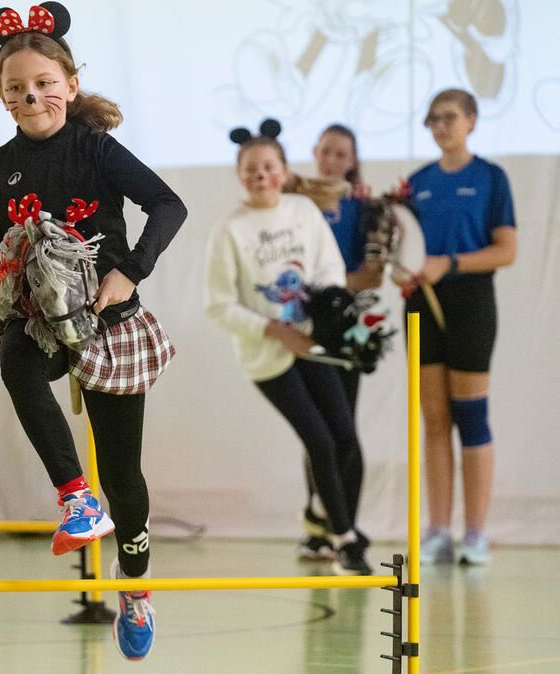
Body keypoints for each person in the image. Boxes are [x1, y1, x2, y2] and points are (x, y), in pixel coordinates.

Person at [0, 2, 187, 660]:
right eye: (16, 87)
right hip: (42, 322)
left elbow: (168, 204)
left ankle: (137, 586)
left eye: (44, 82)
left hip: (107, 319)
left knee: (125, 475)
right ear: (3, 97)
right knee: (15, 359)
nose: (32, 95)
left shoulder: (96, 149)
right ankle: (74, 499)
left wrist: (129, 272)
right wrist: (9, 292)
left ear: (69, 82)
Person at [205, 119, 371, 576]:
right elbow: (218, 305)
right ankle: (343, 539)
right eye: (251, 169)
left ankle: (330, 521)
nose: (261, 175)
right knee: (316, 438)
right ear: (241, 175)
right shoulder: (229, 231)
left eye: (269, 167)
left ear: (283, 170)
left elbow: (331, 270)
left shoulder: (303, 210)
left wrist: (324, 318)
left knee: (344, 437)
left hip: (313, 343)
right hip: (268, 357)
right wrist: (274, 329)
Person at [407, 89, 516, 566]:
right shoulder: (416, 184)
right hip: (421, 303)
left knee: (471, 416)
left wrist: (449, 262)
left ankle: (475, 533)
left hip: (471, 300)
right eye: (433, 118)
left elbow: (506, 250)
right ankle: (437, 531)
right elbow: (404, 248)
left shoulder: (491, 178)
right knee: (434, 419)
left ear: (471, 120)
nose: (440, 125)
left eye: (449, 117)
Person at [294, 124, 380, 562]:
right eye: (325, 151)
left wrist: (329, 287)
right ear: (315, 151)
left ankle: (344, 525)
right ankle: (318, 527)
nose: (331, 160)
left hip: (344, 329)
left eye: (341, 154)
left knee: (344, 430)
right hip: (305, 331)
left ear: (352, 159)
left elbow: (372, 273)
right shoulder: (296, 202)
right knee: (316, 432)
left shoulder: (365, 207)